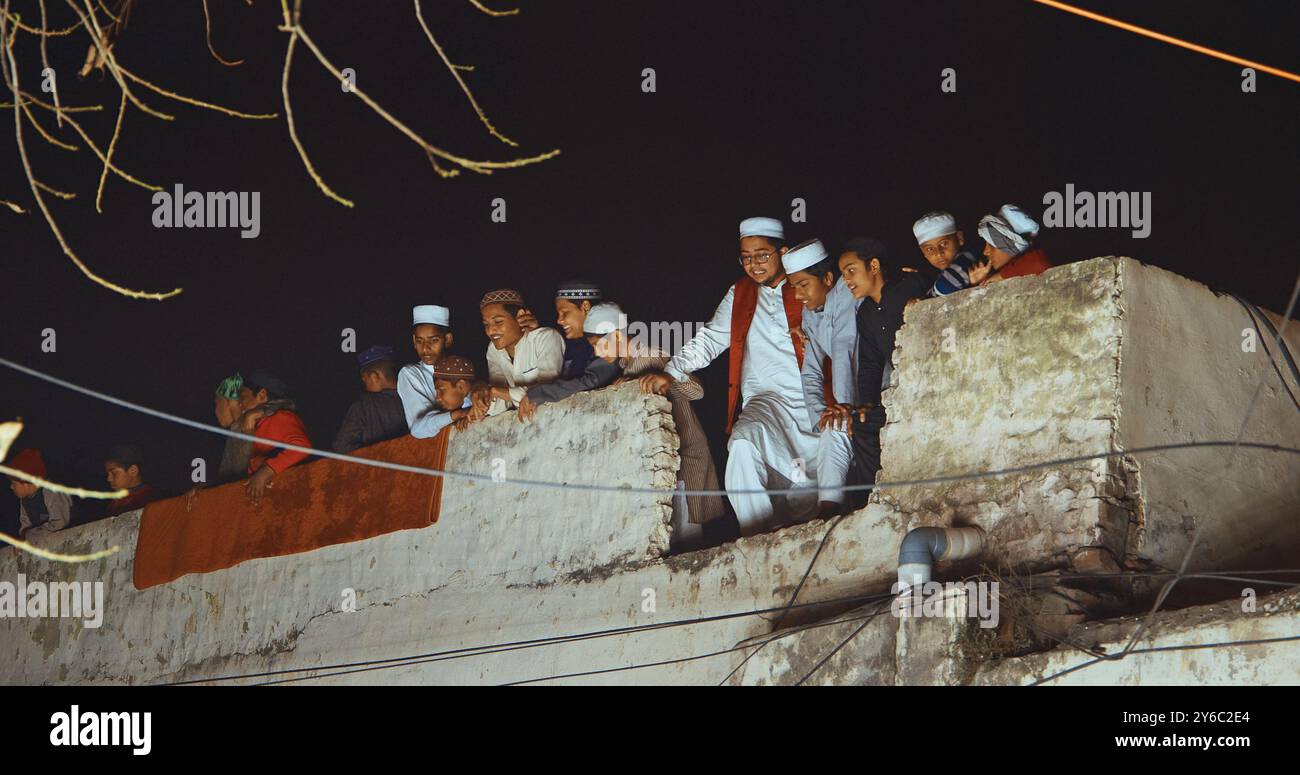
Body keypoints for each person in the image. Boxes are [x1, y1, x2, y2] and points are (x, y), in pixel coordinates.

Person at [643, 216, 819, 536]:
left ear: (782, 251)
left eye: (762, 254)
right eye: (746, 257)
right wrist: (672, 372)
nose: (754, 264)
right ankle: (758, 536)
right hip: (765, 399)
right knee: (741, 445)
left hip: (814, 400)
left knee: (807, 492)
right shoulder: (741, 292)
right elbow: (711, 338)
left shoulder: (809, 284)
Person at [848, 239, 930, 490]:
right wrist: (867, 403)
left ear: (873, 265)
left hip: (928, 384)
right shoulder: (865, 313)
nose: (846, 280)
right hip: (901, 391)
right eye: (843, 274)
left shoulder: (911, 286)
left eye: (851, 271)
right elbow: (871, 364)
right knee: (862, 423)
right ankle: (871, 499)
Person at [783, 239, 857, 517]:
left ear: (827, 278)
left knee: (838, 425)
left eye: (804, 285)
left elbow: (844, 349)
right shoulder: (810, 312)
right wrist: (820, 414)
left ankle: (829, 512)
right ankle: (829, 512)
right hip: (846, 404)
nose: (799, 295)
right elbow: (811, 371)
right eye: (794, 288)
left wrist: (845, 406)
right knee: (830, 427)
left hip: (877, 393)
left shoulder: (848, 296)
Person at [518, 301, 625, 420]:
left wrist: (539, 393)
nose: (559, 320)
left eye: (565, 312)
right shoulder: (580, 349)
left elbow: (589, 381)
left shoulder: (639, 357)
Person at [476, 289, 564, 417]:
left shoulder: (545, 338)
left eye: (498, 322)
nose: (490, 331)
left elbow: (545, 391)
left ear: (520, 316)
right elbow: (500, 404)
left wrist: (493, 391)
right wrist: (481, 403)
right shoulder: (493, 350)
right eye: (486, 324)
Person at [240, 369, 312, 503]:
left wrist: (265, 472)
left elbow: (303, 447)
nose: (239, 403)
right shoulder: (256, 424)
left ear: (261, 395)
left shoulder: (280, 417)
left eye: (243, 397)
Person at [398, 304, 462, 439]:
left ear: (448, 339)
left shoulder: (461, 368)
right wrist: (458, 415)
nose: (426, 349)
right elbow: (419, 428)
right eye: (420, 341)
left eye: (434, 340)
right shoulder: (410, 373)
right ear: (414, 341)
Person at [334, 345, 408, 453]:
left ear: (374, 376)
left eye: (365, 380)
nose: (365, 386)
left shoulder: (364, 406)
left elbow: (341, 446)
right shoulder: (416, 397)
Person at [970, 204, 1052, 285]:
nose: (985, 252)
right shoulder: (1007, 274)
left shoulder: (1036, 261)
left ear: (1011, 245)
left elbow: (1038, 262)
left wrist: (998, 277)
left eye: (991, 245)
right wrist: (981, 283)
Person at [6, 448, 72, 542]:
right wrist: (23, 538)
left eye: (14, 484)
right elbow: (25, 527)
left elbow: (60, 523)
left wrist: (30, 536)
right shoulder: (25, 500)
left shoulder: (52, 491)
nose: (11, 487)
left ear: (25, 482)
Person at [912, 211, 982, 297]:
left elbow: (944, 287)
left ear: (959, 238)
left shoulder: (968, 257)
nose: (938, 253)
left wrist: (923, 299)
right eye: (929, 249)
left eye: (943, 244)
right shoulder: (941, 271)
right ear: (923, 253)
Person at [213, 372, 255, 485]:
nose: (215, 411)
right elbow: (225, 479)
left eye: (216, 403)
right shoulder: (235, 431)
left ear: (229, 402)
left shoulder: (248, 427)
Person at [103, 444, 160, 517]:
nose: (109, 479)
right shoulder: (113, 504)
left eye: (113, 473)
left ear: (133, 471)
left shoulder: (150, 499)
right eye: (108, 474)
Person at [430, 355, 480, 432]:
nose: (437, 398)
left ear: (461, 386)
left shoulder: (483, 399)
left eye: (441, 390)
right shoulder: (461, 409)